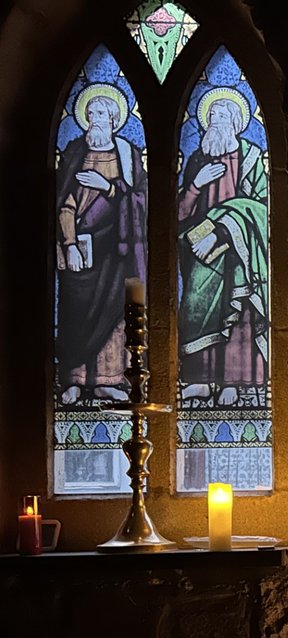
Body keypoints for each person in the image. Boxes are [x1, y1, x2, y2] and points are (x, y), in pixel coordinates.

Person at [55, 87, 148, 406]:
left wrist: (108, 187)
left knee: (115, 317)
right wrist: (68, 244)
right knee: (75, 314)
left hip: (115, 251)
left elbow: (140, 201)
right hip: (80, 251)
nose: (92, 120)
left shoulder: (127, 154)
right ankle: (74, 380)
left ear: (114, 119)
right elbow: (63, 203)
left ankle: (110, 380)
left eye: (100, 114)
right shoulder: (73, 153)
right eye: (89, 114)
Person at [177, 90, 269, 407]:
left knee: (239, 311)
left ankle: (234, 381)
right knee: (194, 306)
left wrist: (224, 227)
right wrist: (196, 184)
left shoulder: (253, 158)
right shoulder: (197, 161)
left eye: (221, 117)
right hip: (199, 252)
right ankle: (200, 382)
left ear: (235, 123)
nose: (213, 123)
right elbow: (177, 214)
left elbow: (261, 209)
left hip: (239, 252)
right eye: (211, 117)